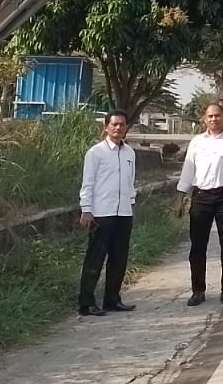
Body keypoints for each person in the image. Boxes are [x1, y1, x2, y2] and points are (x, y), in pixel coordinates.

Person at [176, 103, 223, 306]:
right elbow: (188, 171)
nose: (214, 119)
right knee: (197, 245)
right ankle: (198, 291)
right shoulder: (196, 142)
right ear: (204, 119)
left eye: (217, 116)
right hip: (201, 197)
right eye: (210, 116)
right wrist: (180, 197)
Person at [77, 109, 139, 317]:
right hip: (101, 213)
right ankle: (86, 303)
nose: (118, 128)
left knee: (119, 259)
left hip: (123, 213)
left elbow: (130, 182)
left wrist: (131, 204)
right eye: (114, 124)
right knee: (95, 259)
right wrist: (86, 210)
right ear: (106, 127)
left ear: (126, 127)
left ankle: (112, 299)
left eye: (122, 124)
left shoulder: (130, 153)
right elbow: (88, 183)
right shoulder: (96, 153)